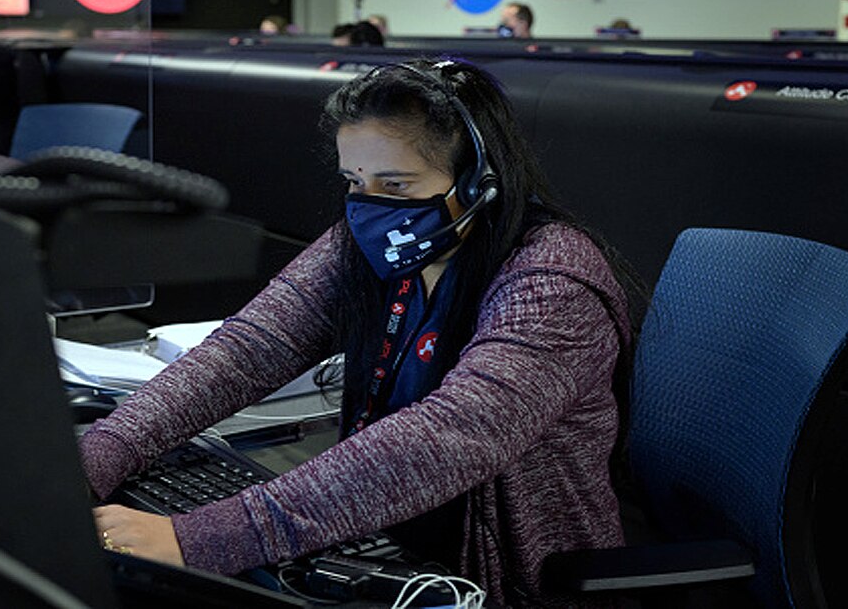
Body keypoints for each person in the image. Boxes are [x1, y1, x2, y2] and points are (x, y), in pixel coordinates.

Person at [81, 58, 643, 606]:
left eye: (396, 185)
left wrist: (195, 539)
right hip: (383, 538)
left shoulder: (553, 281)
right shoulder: (367, 245)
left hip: (503, 583)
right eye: (355, 181)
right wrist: (97, 457)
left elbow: (445, 440)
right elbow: (248, 348)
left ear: (478, 183)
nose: (371, 209)